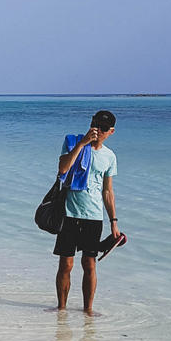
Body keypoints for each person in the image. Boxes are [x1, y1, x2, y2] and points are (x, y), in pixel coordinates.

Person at [53, 110, 121, 314]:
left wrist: (114, 221)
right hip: (69, 212)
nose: (97, 130)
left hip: (93, 215)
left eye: (103, 128)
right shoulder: (73, 142)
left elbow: (107, 191)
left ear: (111, 132)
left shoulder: (109, 156)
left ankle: (87, 311)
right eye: (95, 125)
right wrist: (82, 144)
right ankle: (61, 309)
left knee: (89, 264)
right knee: (66, 263)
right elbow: (63, 169)